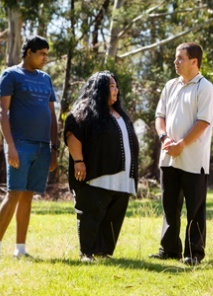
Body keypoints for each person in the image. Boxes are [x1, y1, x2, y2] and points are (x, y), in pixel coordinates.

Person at [0, 35, 58, 259]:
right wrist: (10, 146)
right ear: (29, 52)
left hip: (42, 147)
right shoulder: (11, 75)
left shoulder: (46, 79)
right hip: (20, 145)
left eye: (47, 54)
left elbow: (52, 115)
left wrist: (54, 149)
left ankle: (20, 250)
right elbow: (2, 113)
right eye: (42, 54)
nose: (45, 58)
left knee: (28, 196)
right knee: (14, 193)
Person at [150, 42, 213, 265]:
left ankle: (193, 254)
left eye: (180, 58)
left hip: (193, 161)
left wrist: (182, 144)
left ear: (194, 62)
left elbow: (203, 122)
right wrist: (164, 138)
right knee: (170, 207)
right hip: (168, 158)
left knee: (195, 210)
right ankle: (169, 249)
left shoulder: (205, 88)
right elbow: (160, 116)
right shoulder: (170, 85)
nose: (175, 62)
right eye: (175, 58)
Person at [64, 71, 139, 263]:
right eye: (112, 86)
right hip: (96, 175)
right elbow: (73, 134)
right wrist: (79, 161)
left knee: (113, 216)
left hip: (122, 178)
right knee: (91, 213)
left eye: (116, 86)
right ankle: (86, 252)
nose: (116, 90)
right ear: (100, 89)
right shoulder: (85, 110)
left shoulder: (118, 112)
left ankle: (102, 251)